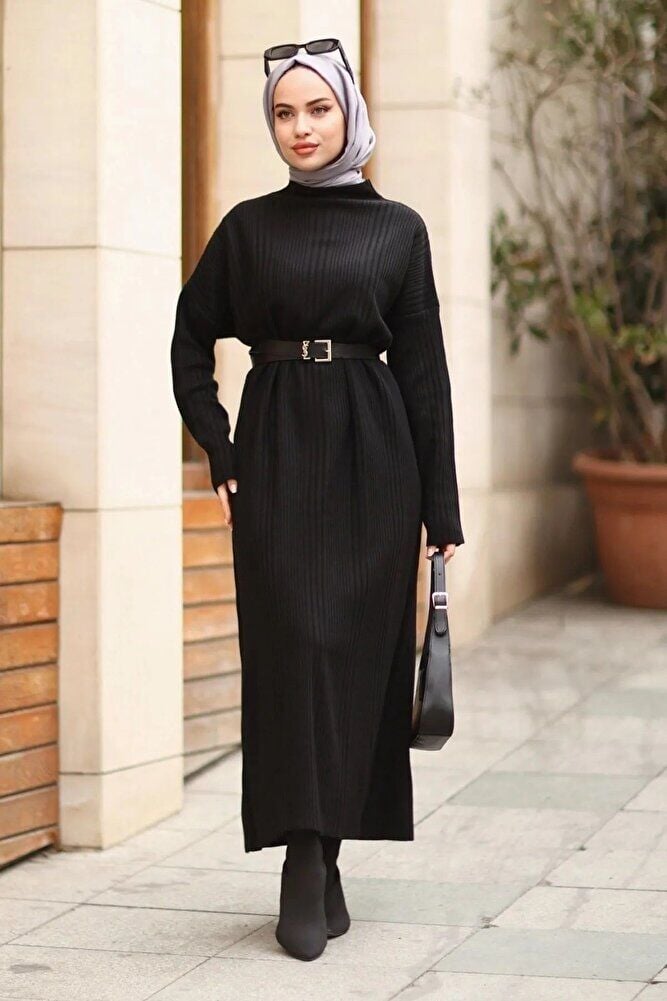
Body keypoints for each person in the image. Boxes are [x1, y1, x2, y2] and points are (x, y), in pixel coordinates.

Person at [170, 38, 465, 962]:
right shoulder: (248, 230)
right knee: (292, 649)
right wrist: (220, 449)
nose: (300, 128)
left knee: (355, 660)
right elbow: (187, 340)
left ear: (349, 113)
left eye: (317, 109)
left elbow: (423, 372)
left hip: (376, 460)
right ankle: (302, 856)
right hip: (275, 455)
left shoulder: (399, 230)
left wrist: (441, 510)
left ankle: (323, 853)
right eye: (283, 113)